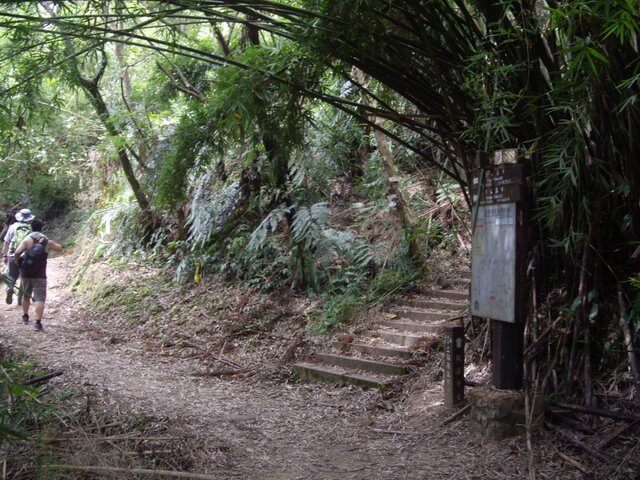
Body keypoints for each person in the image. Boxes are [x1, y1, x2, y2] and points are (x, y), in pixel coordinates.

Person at [13, 218, 63, 331]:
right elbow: (59, 249)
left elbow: (17, 253)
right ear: (42, 228)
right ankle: (37, 323)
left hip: (26, 272)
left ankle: (25, 316)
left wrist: (17, 262)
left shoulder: (27, 240)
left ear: (31, 228)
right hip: (40, 274)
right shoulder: (47, 241)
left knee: (26, 295)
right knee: (40, 298)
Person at [2, 208, 34, 304]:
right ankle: (21, 299)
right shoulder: (31, 227)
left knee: (12, 275)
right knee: (25, 277)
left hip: (12, 254)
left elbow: (6, 242)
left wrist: (4, 255)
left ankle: (10, 288)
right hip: (26, 256)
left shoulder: (13, 227)